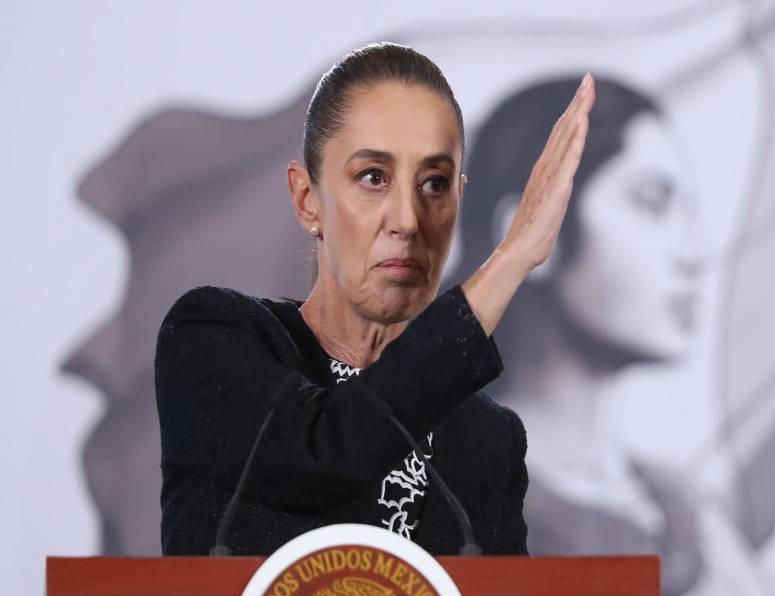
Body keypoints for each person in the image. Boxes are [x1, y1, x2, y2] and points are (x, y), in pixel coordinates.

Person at [154, 42, 595, 556]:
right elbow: (325, 457)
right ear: (307, 200)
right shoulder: (215, 338)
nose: (407, 221)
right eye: (373, 178)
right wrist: (511, 258)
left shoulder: (488, 439)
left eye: (435, 183)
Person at [451, 76, 774, 596]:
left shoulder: (684, 510)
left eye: (689, 214)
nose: (693, 255)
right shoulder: (448, 498)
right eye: (652, 203)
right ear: (535, 235)